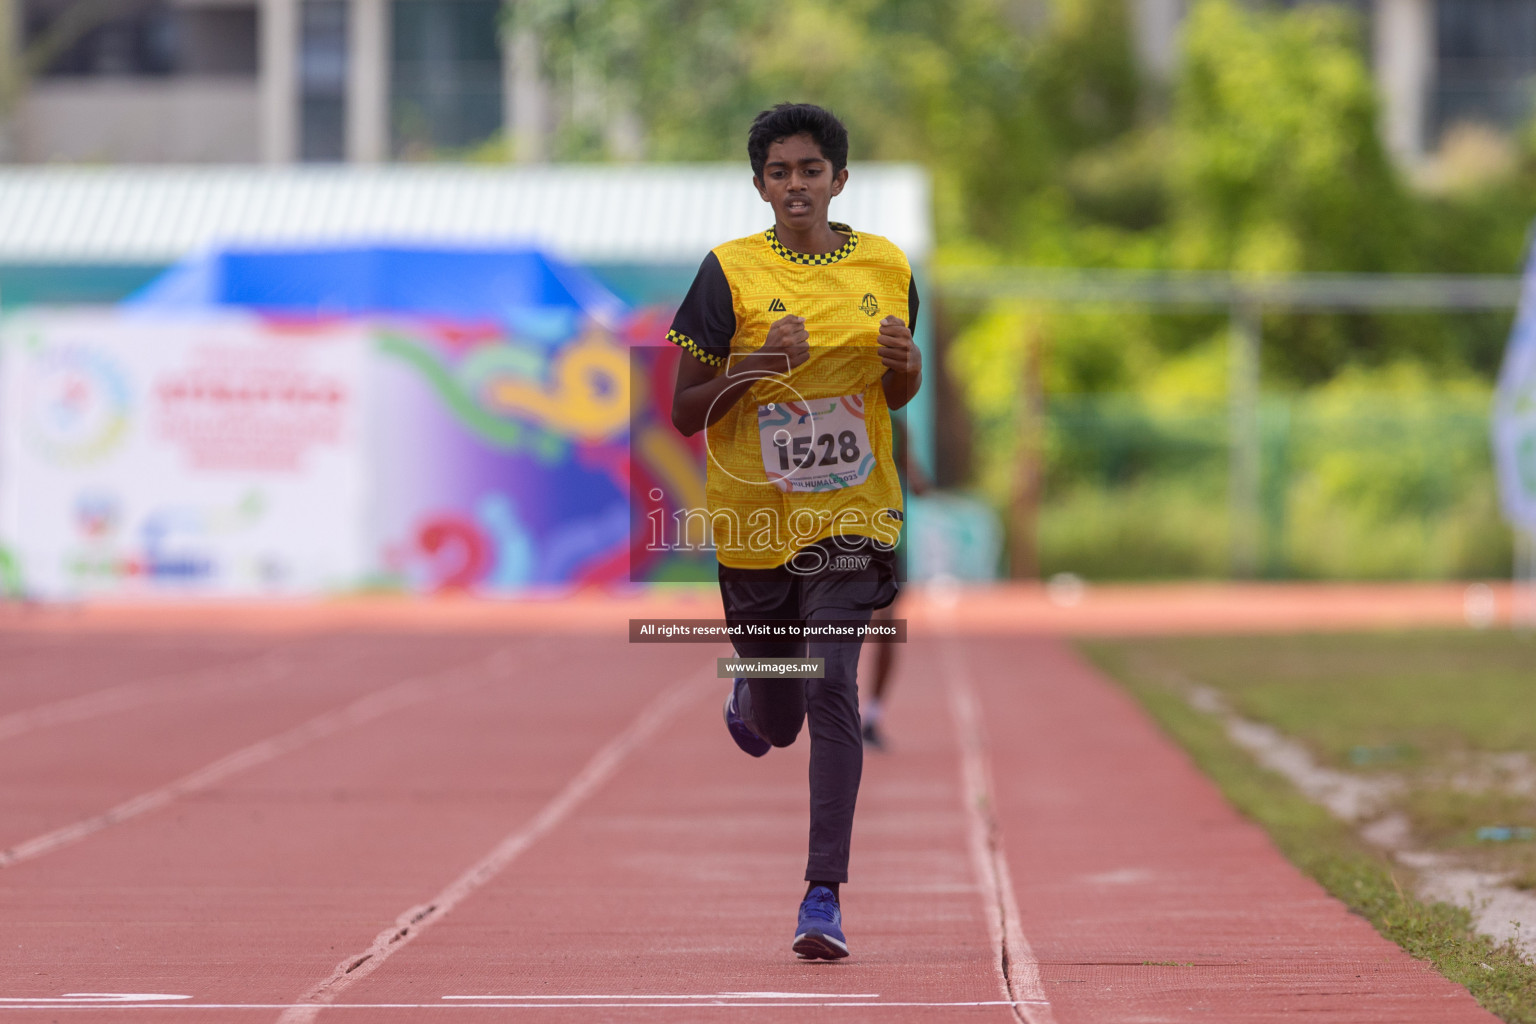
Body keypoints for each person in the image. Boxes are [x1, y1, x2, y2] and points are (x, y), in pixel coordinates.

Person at [668, 102, 921, 961]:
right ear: (760, 186)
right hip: (752, 526)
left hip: (852, 516)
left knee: (831, 688)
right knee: (779, 718)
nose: (796, 185)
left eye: (811, 170)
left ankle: (823, 894)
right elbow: (680, 413)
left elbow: (894, 396)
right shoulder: (727, 274)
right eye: (780, 172)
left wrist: (909, 372)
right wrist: (754, 366)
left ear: (838, 179)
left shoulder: (888, 267)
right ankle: (751, 695)